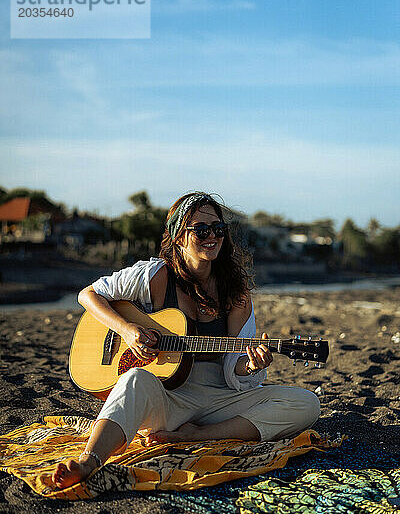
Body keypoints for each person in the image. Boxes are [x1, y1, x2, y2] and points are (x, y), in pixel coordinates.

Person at [52, 192, 320, 489]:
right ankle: (89, 461)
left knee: (305, 403)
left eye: (218, 229)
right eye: (201, 230)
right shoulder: (154, 276)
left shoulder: (236, 292)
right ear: (179, 237)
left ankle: (195, 435)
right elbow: (88, 295)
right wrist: (127, 329)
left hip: (219, 398)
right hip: (168, 397)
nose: (212, 236)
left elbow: (236, 365)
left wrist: (252, 365)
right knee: (134, 379)